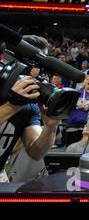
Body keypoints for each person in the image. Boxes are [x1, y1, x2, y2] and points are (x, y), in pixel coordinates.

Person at [0, 35, 61, 173]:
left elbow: (36, 153)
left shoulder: (30, 105)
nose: (39, 70)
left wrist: (50, 127)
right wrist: (13, 105)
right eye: (35, 62)